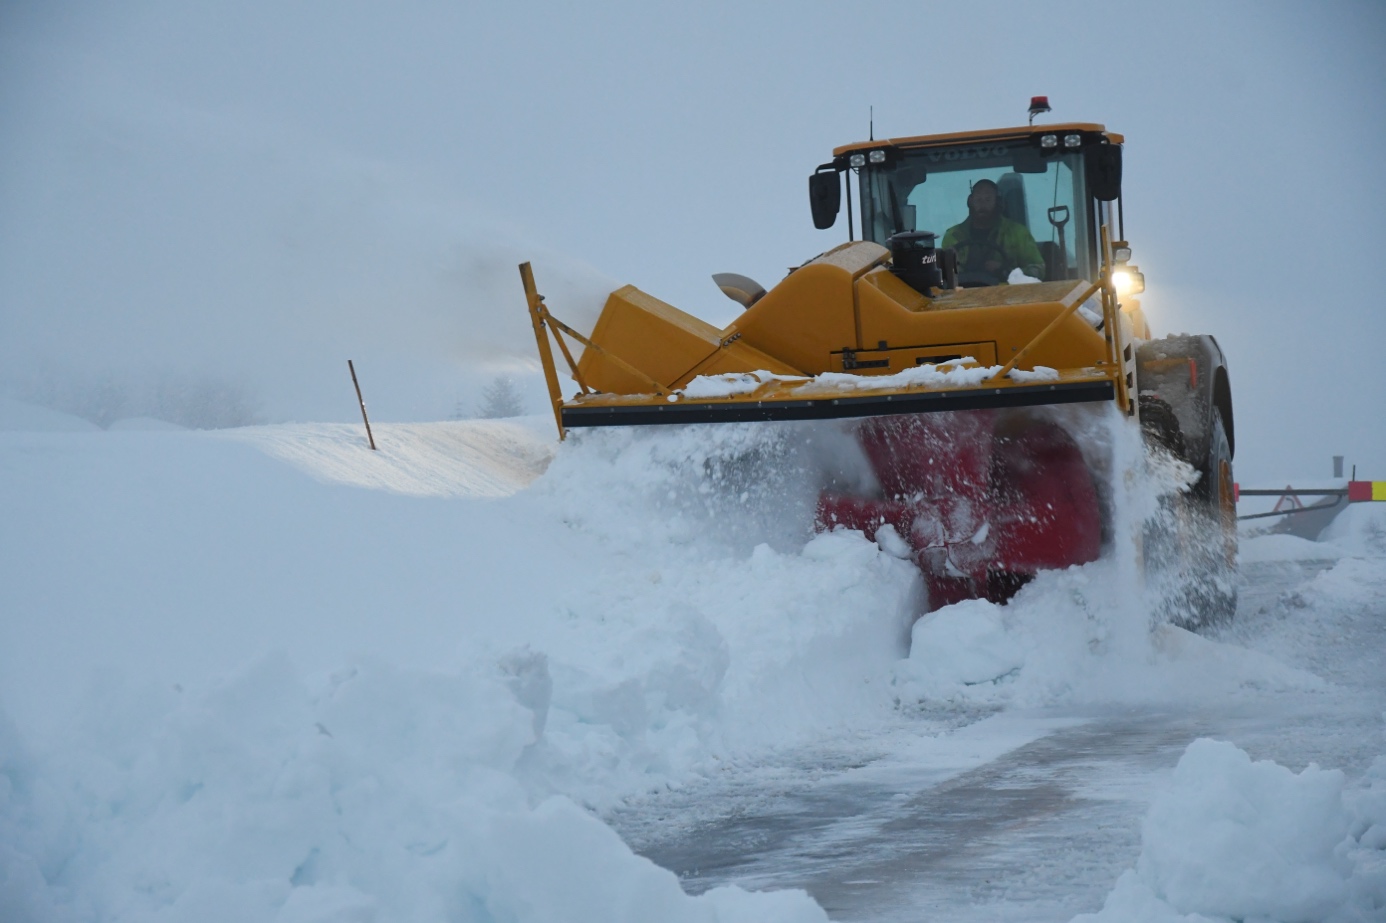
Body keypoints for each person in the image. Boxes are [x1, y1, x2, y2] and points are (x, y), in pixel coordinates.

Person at [941, 179, 1045, 284]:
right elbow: (944, 274)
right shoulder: (953, 235)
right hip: (962, 297)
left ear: (998, 202)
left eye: (988, 199)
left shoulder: (1018, 233)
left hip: (1009, 297)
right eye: (978, 200)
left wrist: (1006, 271)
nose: (982, 205)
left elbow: (1038, 270)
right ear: (970, 202)